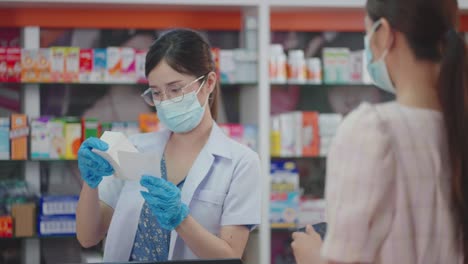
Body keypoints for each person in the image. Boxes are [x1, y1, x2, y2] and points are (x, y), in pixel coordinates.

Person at [291, 0, 467, 263]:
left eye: (367, 32)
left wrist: (313, 257)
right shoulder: (457, 128)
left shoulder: (374, 130)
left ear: (384, 34)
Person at [75, 29, 262, 262]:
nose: (165, 102)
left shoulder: (241, 162)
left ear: (209, 83)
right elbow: (87, 237)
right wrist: (90, 184)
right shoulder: (133, 149)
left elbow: (230, 254)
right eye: (156, 93)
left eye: (175, 89)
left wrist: (180, 220)